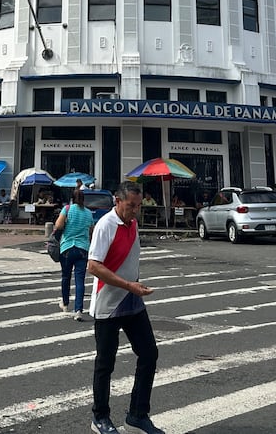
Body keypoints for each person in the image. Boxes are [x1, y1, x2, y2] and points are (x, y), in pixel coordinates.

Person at [87, 181, 164, 434]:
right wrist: (128, 285)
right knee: (105, 363)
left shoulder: (133, 223)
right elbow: (94, 266)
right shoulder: (105, 225)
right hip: (108, 304)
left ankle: (137, 416)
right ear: (117, 201)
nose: (135, 211)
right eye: (131, 206)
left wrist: (134, 286)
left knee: (149, 354)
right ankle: (100, 418)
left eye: (139, 206)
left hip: (132, 301)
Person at [54, 189, 94, 321]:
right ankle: (78, 310)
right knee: (80, 280)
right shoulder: (88, 213)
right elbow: (91, 231)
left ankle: (65, 303)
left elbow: (58, 225)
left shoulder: (67, 209)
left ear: (72, 198)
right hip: (83, 249)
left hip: (67, 247)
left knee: (66, 277)